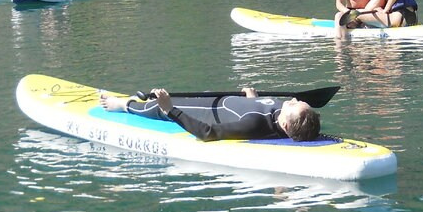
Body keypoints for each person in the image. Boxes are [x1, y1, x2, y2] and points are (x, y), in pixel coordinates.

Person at [98, 87, 321, 142]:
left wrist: (169, 109)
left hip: (204, 110)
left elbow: (207, 133)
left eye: (294, 105)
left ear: (286, 123)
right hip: (217, 99)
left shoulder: (254, 124)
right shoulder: (281, 115)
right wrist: (252, 100)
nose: (292, 100)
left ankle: (123, 104)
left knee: (154, 106)